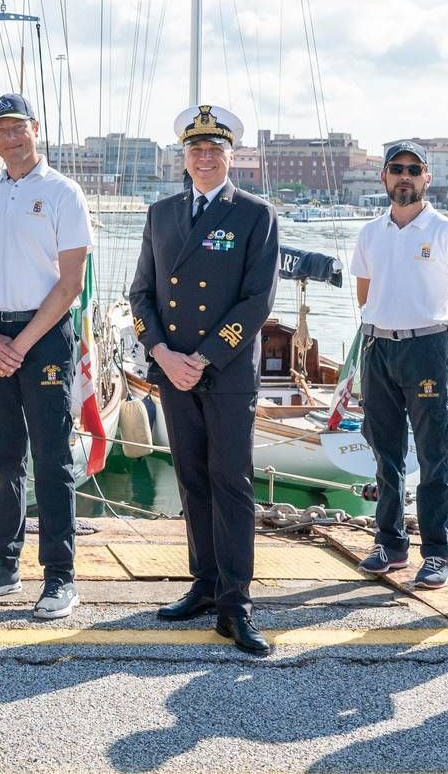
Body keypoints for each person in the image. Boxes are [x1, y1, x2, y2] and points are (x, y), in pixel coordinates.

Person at [127, 104, 279, 656]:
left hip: (227, 371)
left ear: (231, 156)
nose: (205, 157)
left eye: (215, 149)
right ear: (183, 157)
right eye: (196, 149)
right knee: (191, 478)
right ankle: (205, 584)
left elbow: (257, 299)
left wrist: (205, 357)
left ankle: (237, 602)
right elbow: (140, 293)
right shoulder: (161, 213)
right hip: (174, 370)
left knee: (230, 483)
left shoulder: (255, 215)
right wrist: (161, 352)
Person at [0, 94, 94, 619]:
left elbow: (70, 283)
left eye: (18, 127)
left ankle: (60, 576)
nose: (10, 137)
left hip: (45, 336)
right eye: (0, 130)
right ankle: (3, 563)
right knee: (2, 456)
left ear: (36, 128)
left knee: (52, 460)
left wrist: (21, 344)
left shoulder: (63, 193)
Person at [348, 139, 448, 590]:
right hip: (378, 348)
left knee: (435, 451)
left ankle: (437, 552)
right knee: (385, 450)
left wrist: (437, 338)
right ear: (384, 177)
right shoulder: (370, 233)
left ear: (427, 178)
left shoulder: (447, 232)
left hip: (426, 349)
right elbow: (365, 294)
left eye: (413, 169)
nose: (404, 176)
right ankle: (390, 543)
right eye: (396, 168)